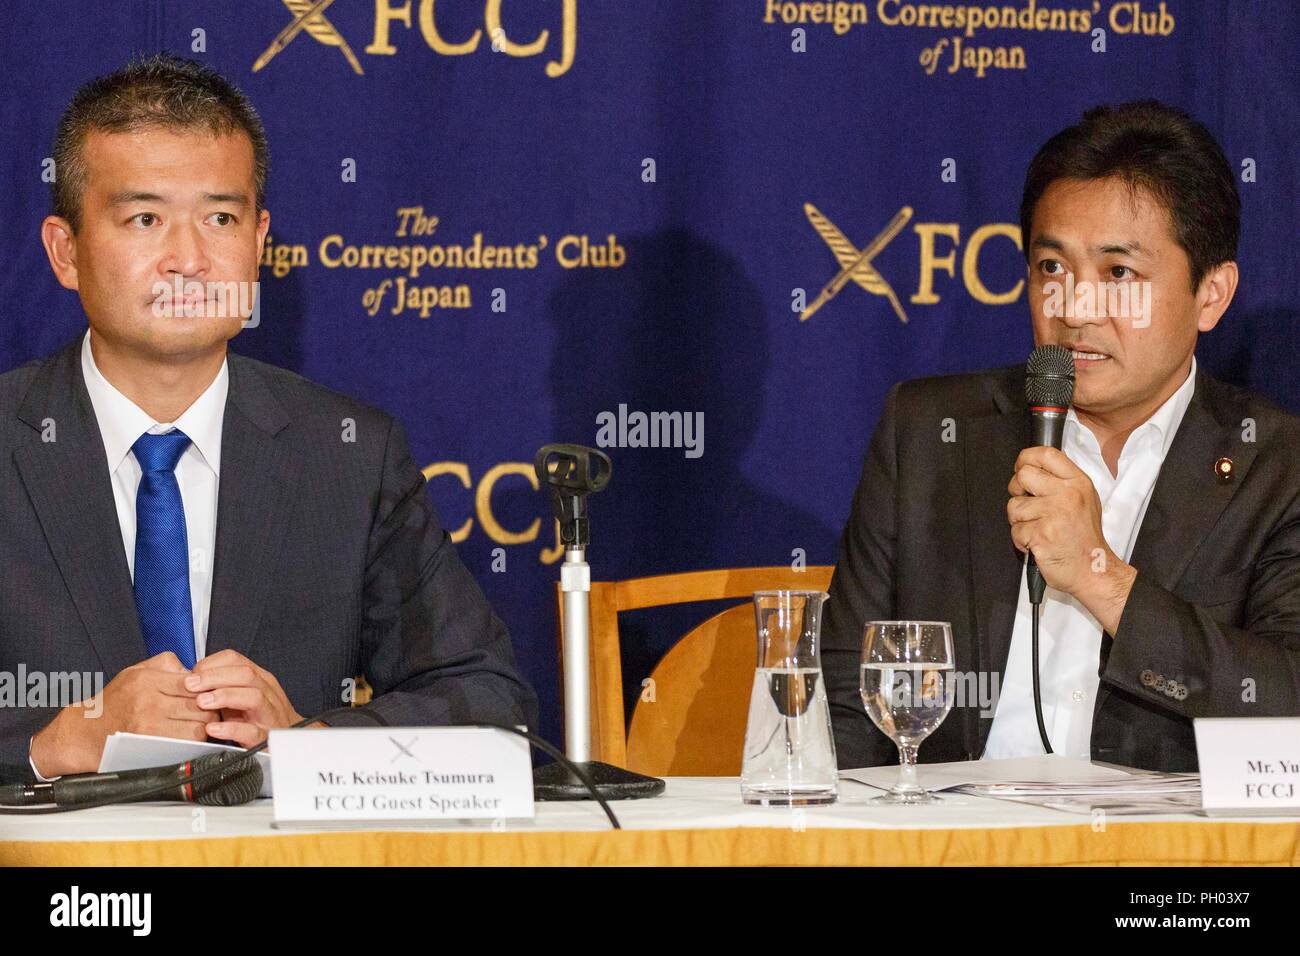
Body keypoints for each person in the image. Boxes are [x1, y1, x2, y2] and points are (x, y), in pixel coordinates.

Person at [0, 54, 537, 782]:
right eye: (146, 218)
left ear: (257, 242)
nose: (188, 259)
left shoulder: (349, 455)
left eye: (220, 217)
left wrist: (309, 743)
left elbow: (487, 699)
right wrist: (53, 743)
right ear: (65, 252)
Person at [822, 100, 1300, 773]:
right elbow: (848, 702)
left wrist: (1099, 575)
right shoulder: (930, 433)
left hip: (1161, 855)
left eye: (1118, 275)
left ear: (1211, 294)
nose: (1075, 307)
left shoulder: (1277, 466)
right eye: (1052, 269)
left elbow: (1287, 702)